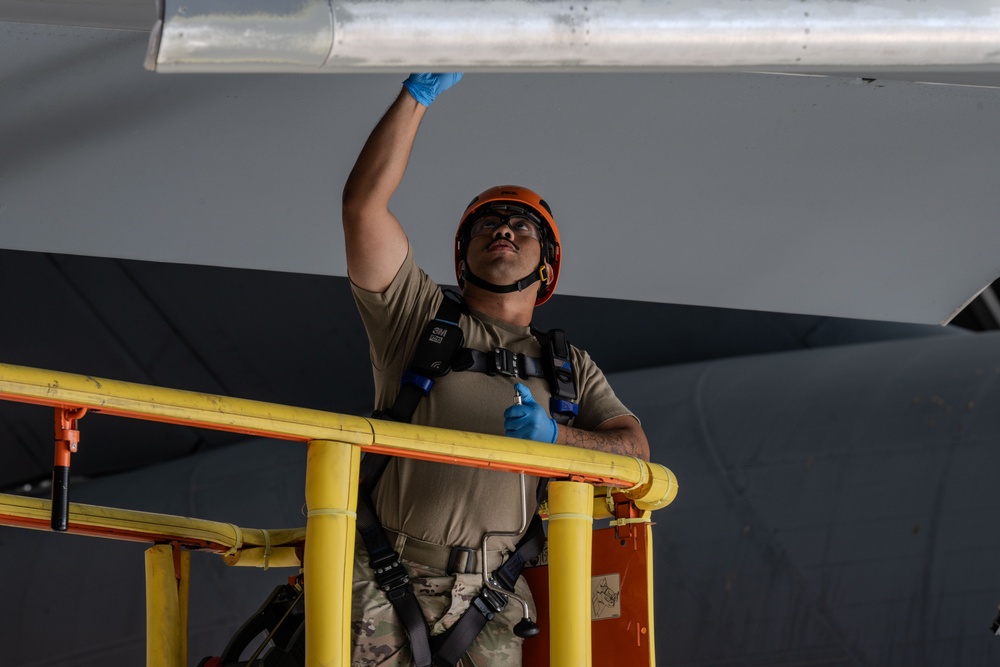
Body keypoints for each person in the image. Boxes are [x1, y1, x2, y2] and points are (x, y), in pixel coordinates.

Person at [342, 73, 650, 667]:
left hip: (494, 597)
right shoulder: (418, 317)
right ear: (462, 258)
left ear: (548, 269)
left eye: (522, 226)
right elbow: (362, 206)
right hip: (386, 577)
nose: (503, 229)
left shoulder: (568, 366)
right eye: (487, 225)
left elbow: (633, 451)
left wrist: (556, 438)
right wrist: (417, 95)